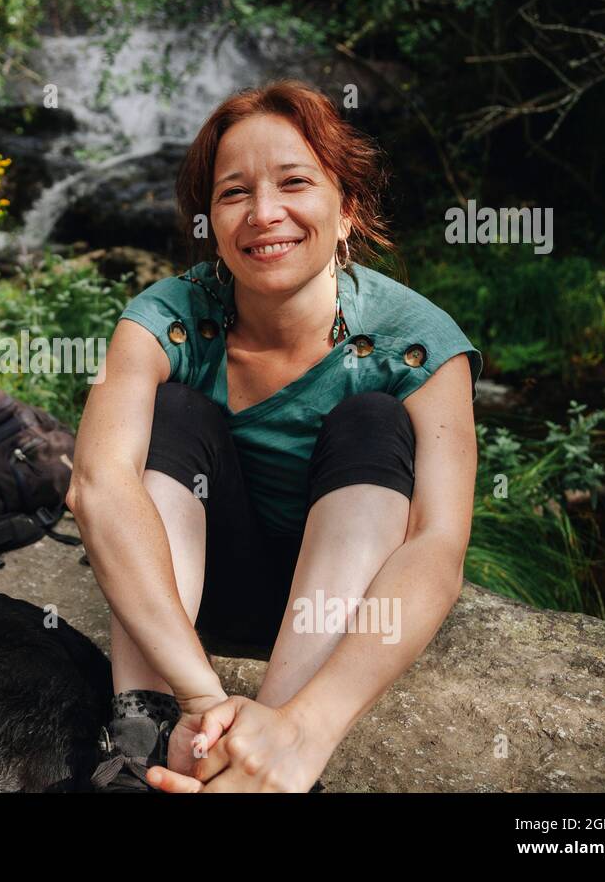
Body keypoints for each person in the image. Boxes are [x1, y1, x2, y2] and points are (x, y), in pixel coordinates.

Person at [68, 80, 483, 793]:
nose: (265, 215)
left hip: (339, 608)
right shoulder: (163, 317)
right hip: (190, 603)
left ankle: (281, 739)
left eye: (295, 182)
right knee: (177, 412)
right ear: (209, 220)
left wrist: (304, 730)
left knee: (373, 420)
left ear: (346, 209)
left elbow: (438, 548)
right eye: (234, 194)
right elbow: (97, 485)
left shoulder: (419, 342)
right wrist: (201, 698)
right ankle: (141, 729)